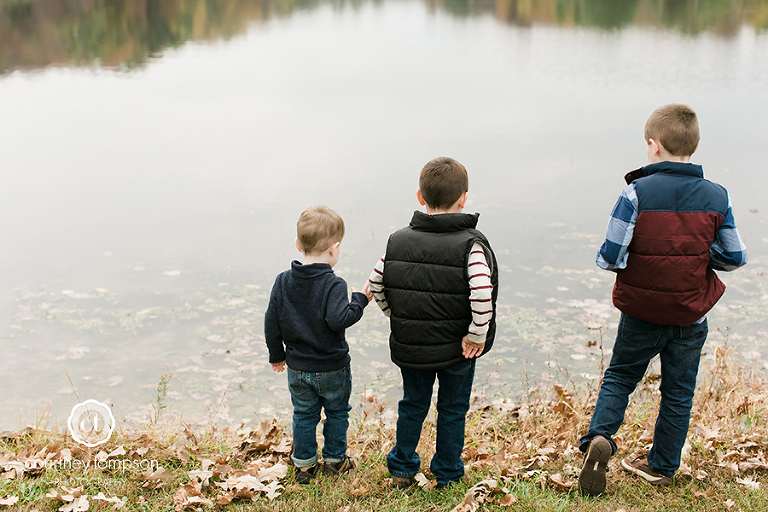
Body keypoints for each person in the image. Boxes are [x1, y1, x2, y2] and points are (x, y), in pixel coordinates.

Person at [578, 104, 748, 495]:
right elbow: (735, 256)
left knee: (620, 376)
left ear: (653, 146)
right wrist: (702, 257)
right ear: (696, 144)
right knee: (678, 391)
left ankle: (598, 439)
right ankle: (662, 466)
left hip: (641, 312)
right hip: (690, 314)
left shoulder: (636, 192)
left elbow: (610, 256)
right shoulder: (717, 196)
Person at [368, 156, 499, 489]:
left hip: (413, 345)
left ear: (419, 196)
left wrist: (395, 315)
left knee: (413, 404)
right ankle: (448, 473)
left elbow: (377, 283)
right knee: (452, 409)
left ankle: (402, 468)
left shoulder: (397, 240)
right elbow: (482, 294)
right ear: (463, 198)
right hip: (458, 349)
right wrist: (476, 334)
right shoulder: (471, 245)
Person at [265, 205, 372, 484]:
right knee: (336, 412)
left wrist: (277, 355)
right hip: (332, 368)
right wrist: (360, 300)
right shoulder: (334, 284)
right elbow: (339, 320)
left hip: (298, 367)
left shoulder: (283, 281)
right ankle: (335, 461)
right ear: (334, 249)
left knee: (303, 414)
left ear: (298, 244)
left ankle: (304, 465)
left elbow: (271, 320)